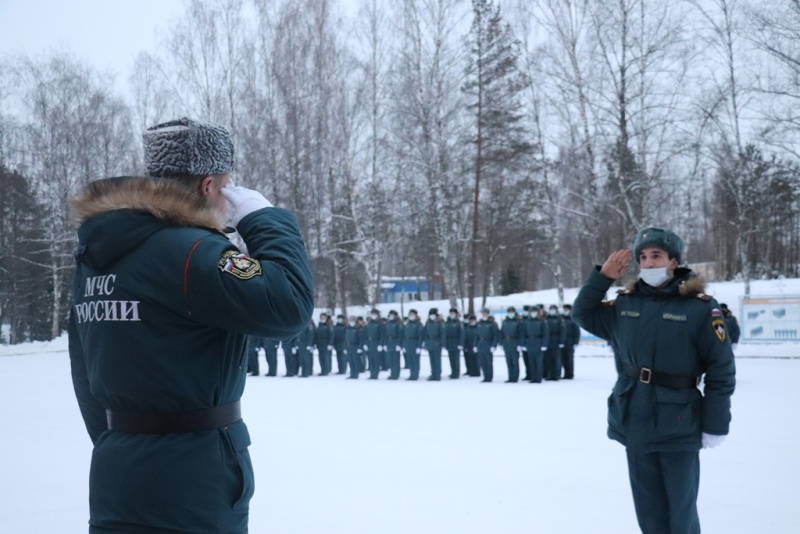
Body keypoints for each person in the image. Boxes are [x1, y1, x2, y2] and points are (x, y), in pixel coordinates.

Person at [68, 117, 314, 533]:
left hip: (118, 470)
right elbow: (288, 306)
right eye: (226, 186)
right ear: (206, 186)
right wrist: (265, 219)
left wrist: (129, 440)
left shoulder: (98, 254)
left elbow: (85, 372)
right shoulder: (192, 251)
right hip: (193, 481)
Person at [571, 226, 735, 534]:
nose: (648, 263)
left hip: (678, 421)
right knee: (649, 511)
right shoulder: (626, 304)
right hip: (634, 418)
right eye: (643, 257)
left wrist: (715, 424)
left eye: (656, 256)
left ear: (673, 262)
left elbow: (721, 370)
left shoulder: (700, 308)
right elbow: (582, 314)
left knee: (680, 513)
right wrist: (602, 278)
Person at [523, 305, 549, 383]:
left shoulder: (542, 321)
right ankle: (533, 377)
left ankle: (538, 378)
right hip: (530, 342)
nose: (533, 313)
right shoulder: (527, 321)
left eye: (535, 312)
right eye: (532, 312)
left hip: (538, 342)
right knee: (531, 361)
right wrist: (524, 344)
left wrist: (544, 344)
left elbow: (545, 334)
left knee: (538, 362)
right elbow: (524, 333)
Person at [500, 306, 525, 383]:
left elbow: (521, 333)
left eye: (512, 312)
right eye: (509, 312)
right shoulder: (505, 321)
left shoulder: (518, 322)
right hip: (507, 343)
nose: (511, 314)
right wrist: (501, 343)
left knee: (515, 361)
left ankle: (515, 377)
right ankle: (510, 377)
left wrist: (520, 344)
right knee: (508, 361)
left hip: (515, 342)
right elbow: (501, 333)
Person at [422, 308, 446, 381]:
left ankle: (437, 374)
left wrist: (442, 343)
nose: (432, 316)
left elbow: (443, 334)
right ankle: (433, 374)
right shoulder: (428, 322)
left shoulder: (440, 323)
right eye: (431, 315)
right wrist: (425, 342)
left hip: (437, 342)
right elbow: (425, 333)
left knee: (437, 359)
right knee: (431, 359)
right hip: (429, 342)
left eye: (433, 315)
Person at [476, 308, 500, 382]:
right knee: (482, 362)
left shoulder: (492, 323)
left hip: (488, 343)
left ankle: (489, 377)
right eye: (483, 313)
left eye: (485, 313)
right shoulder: (479, 323)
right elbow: (476, 335)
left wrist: (494, 345)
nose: (484, 314)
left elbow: (496, 335)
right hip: (481, 343)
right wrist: (475, 345)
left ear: (488, 314)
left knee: (488, 362)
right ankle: (485, 376)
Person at [543, 304, 566, 380]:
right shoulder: (546, 319)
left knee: (556, 359)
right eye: (551, 309)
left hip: (556, 341)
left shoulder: (559, 319)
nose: (552, 311)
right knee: (548, 359)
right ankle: (550, 374)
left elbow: (563, 331)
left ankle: (556, 375)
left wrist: (561, 342)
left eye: (553, 309)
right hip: (548, 341)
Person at [364, 308, 386, 379]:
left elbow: (382, 335)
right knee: (370, 359)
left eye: (375, 314)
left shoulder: (380, 324)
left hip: (376, 342)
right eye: (372, 314)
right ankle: (371, 373)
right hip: (370, 343)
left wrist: (380, 344)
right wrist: (365, 343)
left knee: (376, 359)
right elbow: (366, 334)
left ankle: (375, 374)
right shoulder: (369, 323)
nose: (373, 316)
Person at [402, 309, 424, 380]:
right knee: (410, 361)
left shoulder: (418, 324)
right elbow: (404, 335)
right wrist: (404, 345)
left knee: (415, 361)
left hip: (415, 344)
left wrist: (419, 346)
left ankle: (415, 374)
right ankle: (411, 374)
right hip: (408, 344)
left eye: (412, 315)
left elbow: (420, 336)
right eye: (410, 315)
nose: (411, 316)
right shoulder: (407, 324)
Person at [561, 304, 581, 379]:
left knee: (569, 359)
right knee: (562, 359)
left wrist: (576, 342)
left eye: (567, 310)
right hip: (562, 341)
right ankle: (564, 373)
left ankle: (569, 374)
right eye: (564, 309)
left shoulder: (573, 319)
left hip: (570, 341)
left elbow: (577, 332)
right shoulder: (561, 319)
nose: (565, 311)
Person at [444, 308, 465, 378]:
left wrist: (460, 344)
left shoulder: (459, 323)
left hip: (456, 342)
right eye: (451, 313)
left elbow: (462, 334)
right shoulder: (447, 322)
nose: (452, 315)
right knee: (451, 359)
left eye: (453, 313)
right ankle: (453, 372)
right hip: (449, 342)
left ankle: (456, 373)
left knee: (456, 359)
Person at [385, 310, 404, 380]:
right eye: (390, 315)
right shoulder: (388, 323)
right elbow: (385, 334)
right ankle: (392, 373)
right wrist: (385, 344)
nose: (391, 317)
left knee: (396, 360)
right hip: (389, 342)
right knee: (391, 359)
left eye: (392, 315)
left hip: (395, 341)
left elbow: (400, 334)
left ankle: (396, 374)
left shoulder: (398, 323)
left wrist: (399, 344)